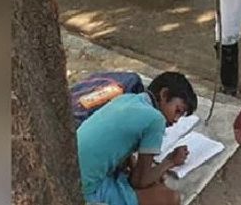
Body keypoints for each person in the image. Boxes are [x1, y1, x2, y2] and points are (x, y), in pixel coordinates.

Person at [77, 72, 198, 205]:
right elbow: (139, 182)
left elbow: (121, 148)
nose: (176, 120)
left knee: (152, 181)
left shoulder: (127, 98)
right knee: (171, 197)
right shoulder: (155, 119)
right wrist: (170, 161)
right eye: (178, 111)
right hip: (84, 191)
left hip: (71, 172)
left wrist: (142, 171)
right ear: (164, 94)